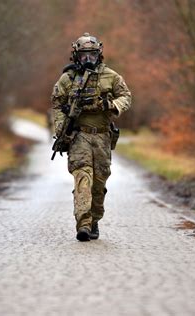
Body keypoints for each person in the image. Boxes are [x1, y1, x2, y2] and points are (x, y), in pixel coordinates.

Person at [51, 32, 132, 241]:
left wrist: (111, 105)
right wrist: (61, 128)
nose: (89, 60)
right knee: (82, 178)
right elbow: (57, 105)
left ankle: (94, 219)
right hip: (80, 137)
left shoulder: (111, 76)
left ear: (99, 55)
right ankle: (83, 223)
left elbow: (126, 96)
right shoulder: (67, 79)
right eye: (85, 55)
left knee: (99, 183)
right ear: (77, 56)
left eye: (92, 55)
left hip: (103, 137)